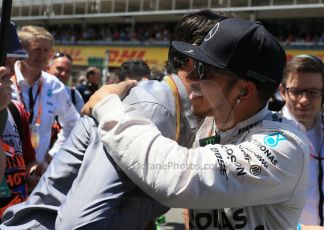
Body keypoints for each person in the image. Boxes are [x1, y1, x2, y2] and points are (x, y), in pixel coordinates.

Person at [1, 9, 227, 229]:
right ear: (194, 62)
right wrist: (166, 193)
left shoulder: (175, 109)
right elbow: (82, 225)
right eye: (228, 69)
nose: (238, 86)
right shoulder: (154, 109)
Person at [83, 18, 311, 229]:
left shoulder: (284, 147)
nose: (192, 78)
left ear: (243, 90)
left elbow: (174, 178)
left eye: (205, 71)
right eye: (193, 66)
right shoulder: (205, 124)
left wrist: (107, 108)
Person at [278, 54, 324, 229]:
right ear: (283, 92)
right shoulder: (266, 136)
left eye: (313, 92)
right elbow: (256, 206)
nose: (304, 100)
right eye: (297, 91)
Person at [10, 25, 79, 162]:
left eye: (46, 50)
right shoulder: (6, 80)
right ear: (22, 50)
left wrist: (54, 153)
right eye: (36, 50)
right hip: (8, 172)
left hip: (38, 173)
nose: (42, 56)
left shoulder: (54, 85)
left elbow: (73, 123)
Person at [0, 21, 47, 218]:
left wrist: (34, 171)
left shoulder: (16, 110)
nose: (10, 68)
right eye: (5, 59)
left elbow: (28, 162)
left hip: (16, 218)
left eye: (14, 59)